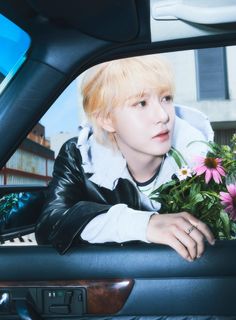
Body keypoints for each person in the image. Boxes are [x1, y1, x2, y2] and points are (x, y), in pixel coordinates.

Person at [35, 54, 215, 261]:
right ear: (106, 119)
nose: (163, 116)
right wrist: (143, 224)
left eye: (166, 98)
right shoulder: (79, 155)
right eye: (141, 103)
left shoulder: (201, 159)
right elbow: (50, 225)